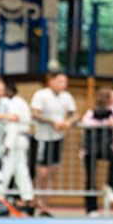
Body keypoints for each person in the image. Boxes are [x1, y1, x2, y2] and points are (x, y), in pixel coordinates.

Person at [30, 72, 77, 215]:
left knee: (53, 170)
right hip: (43, 137)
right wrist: (52, 122)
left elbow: (75, 114)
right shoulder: (41, 94)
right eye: (60, 81)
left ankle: (45, 198)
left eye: (65, 82)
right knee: (42, 171)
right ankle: (36, 197)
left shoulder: (66, 97)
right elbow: (35, 114)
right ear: (51, 81)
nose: (63, 84)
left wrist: (68, 121)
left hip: (58, 138)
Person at [80, 88, 113, 215]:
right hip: (91, 149)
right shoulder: (91, 112)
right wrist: (102, 122)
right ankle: (91, 208)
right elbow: (85, 122)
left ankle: (110, 186)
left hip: (108, 147)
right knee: (90, 178)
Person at [0, 82, 34, 209]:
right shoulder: (21, 102)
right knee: (21, 170)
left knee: (6, 169)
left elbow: (13, 124)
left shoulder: (13, 103)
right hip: (20, 140)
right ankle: (27, 197)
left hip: (13, 140)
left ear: (10, 92)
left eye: (4, 92)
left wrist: (7, 145)